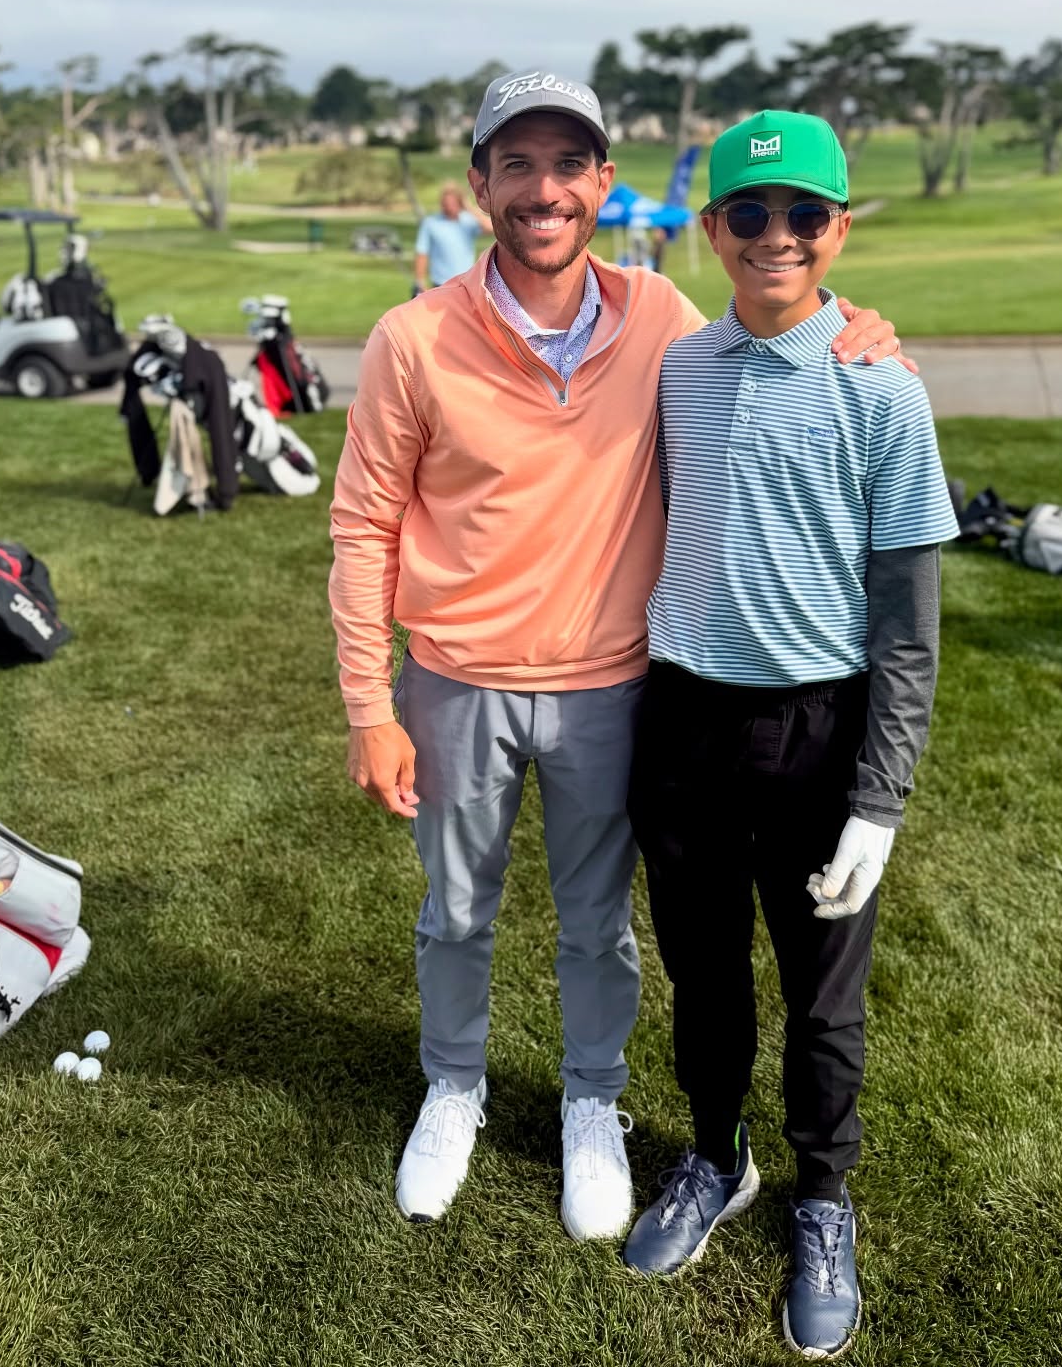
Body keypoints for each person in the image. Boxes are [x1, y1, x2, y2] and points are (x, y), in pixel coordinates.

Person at [328, 70, 908, 1244]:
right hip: (453, 679)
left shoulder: (658, 320)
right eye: (518, 166)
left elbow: (776, 334)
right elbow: (364, 522)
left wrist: (860, 325)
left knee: (599, 923)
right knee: (454, 912)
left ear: (602, 182)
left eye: (568, 166)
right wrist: (365, 705)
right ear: (484, 182)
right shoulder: (413, 338)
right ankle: (456, 1085)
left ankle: (594, 1102)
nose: (545, 192)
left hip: (613, 685)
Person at [622, 110, 959, 1358]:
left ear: (839, 230)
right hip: (686, 720)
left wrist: (881, 797)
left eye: (804, 217)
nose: (777, 238)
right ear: (711, 230)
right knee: (704, 976)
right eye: (751, 216)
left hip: (821, 730)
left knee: (823, 1003)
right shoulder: (677, 368)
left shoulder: (881, 388)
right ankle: (719, 1159)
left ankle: (824, 1199)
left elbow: (909, 629)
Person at [412, 182, 482, 293]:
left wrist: (468, 207)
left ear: (459, 203)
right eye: (446, 203)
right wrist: (420, 281)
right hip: (441, 284)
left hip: (466, 284)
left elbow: (491, 228)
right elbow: (422, 253)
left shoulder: (468, 221)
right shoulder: (430, 223)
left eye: (453, 203)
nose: (449, 207)